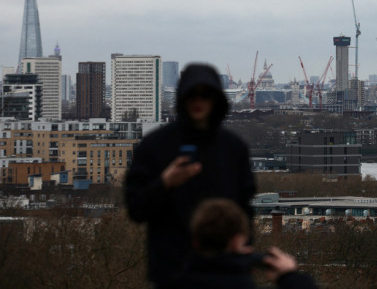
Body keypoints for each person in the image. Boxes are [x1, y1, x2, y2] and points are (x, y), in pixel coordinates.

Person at [125, 63, 256, 288]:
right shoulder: (154, 146)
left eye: (206, 94)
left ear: (217, 99)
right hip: (173, 271)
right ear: (182, 98)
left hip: (225, 270)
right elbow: (136, 208)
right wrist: (165, 183)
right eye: (192, 94)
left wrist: (245, 243)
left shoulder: (233, 148)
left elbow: (245, 206)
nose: (199, 101)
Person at [172, 198, 317, 289]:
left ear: (195, 242)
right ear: (237, 241)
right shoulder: (240, 283)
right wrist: (290, 277)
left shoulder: (174, 281)